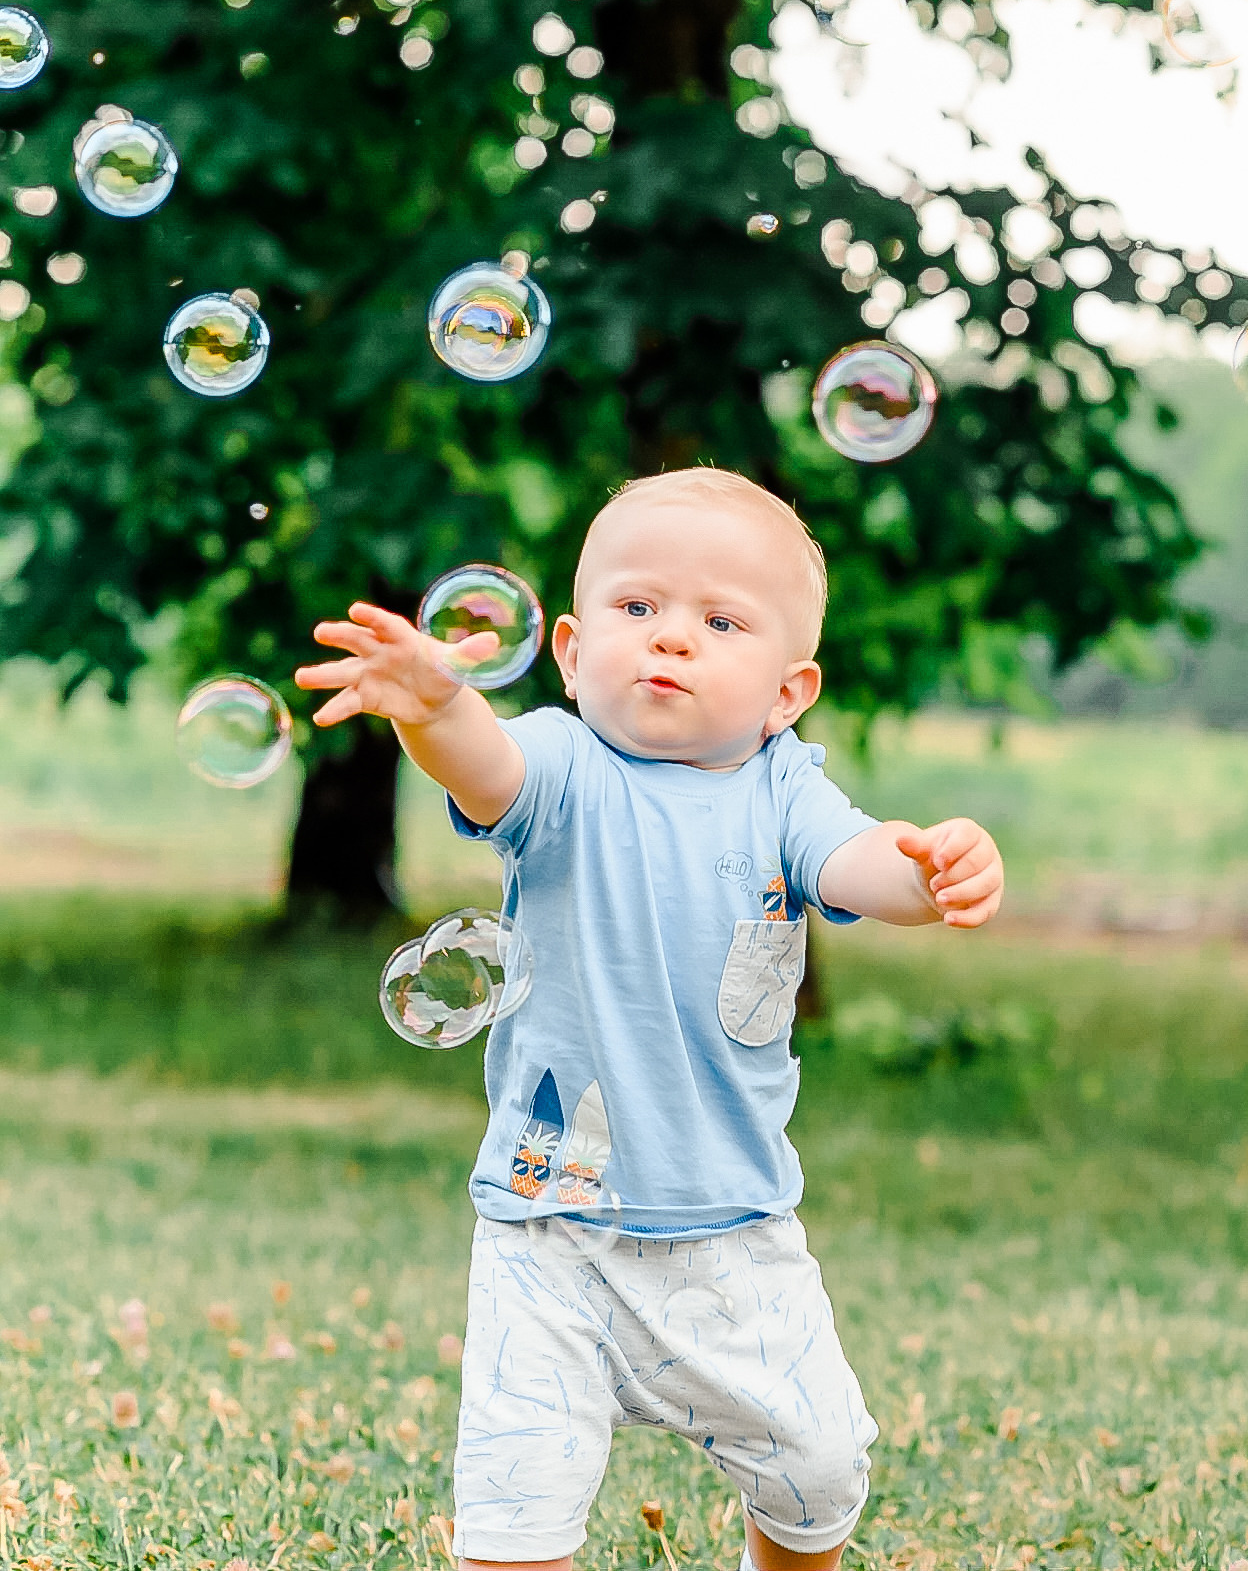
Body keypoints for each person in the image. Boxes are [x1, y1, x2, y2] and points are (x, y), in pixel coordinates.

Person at [299, 468, 1006, 1571]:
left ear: (787, 689)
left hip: (731, 1230)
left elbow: (862, 865)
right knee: (516, 1503)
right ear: (573, 652)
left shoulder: (784, 788)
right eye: (638, 609)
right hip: (550, 1226)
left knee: (817, 1473)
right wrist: (437, 708)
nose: (671, 638)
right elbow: (486, 767)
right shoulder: (564, 765)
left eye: (720, 621)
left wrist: (932, 867)